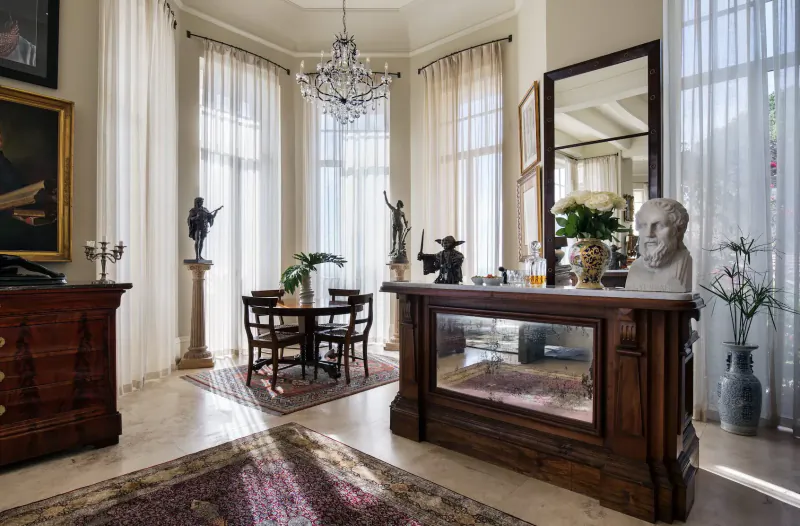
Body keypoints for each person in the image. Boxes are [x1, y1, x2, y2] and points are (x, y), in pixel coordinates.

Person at [625, 199, 692, 293]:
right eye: (644, 225)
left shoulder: (687, 264)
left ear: (678, 230)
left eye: (659, 226)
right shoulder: (635, 267)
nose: (649, 234)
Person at [383, 191, 408, 259]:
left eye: (398, 203)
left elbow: (405, 221)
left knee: (399, 240)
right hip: (394, 226)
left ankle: (399, 251)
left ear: (400, 205)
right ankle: (394, 249)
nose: (397, 204)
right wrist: (385, 195)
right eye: (397, 203)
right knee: (394, 240)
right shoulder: (393, 209)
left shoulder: (402, 213)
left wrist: (407, 226)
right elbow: (387, 203)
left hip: (400, 226)